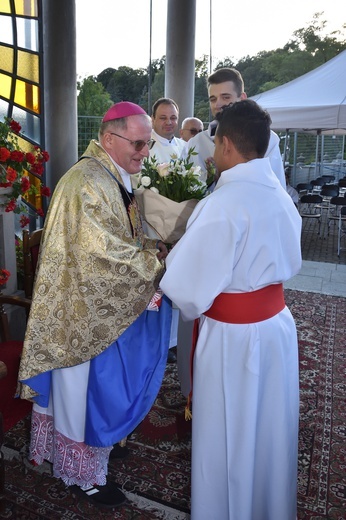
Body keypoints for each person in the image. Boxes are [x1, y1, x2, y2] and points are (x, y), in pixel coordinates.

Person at [17, 101, 172, 508]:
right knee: (79, 390)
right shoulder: (87, 181)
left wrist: (152, 246)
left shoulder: (110, 175)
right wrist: (155, 261)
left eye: (147, 144)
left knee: (93, 391)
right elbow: (98, 257)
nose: (144, 152)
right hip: (79, 313)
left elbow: (120, 236)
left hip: (93, 305)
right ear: (109, 138)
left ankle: (93, 447)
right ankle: (79, 474)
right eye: (138, 143)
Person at [160, 100, 302, 520]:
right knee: (268, 430)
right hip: (276, 328)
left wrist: (169, 262)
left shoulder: (223, 204)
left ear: (224, 145)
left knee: (230, 434)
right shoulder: (279, 192)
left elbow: (186, 290)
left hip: (234, 339)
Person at [183, 67, 286, 189]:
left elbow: (276, 186)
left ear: (242, 98)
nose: (218, 104)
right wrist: (210, 179)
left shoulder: (269, 139)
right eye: (213, 99)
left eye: (226, 97)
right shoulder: (196, 143)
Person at [150, 97, 185, 162]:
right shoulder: (143, 147)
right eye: (163, 118)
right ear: (153, 119)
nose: (168, 122)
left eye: (173, 118)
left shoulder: (185, 147)